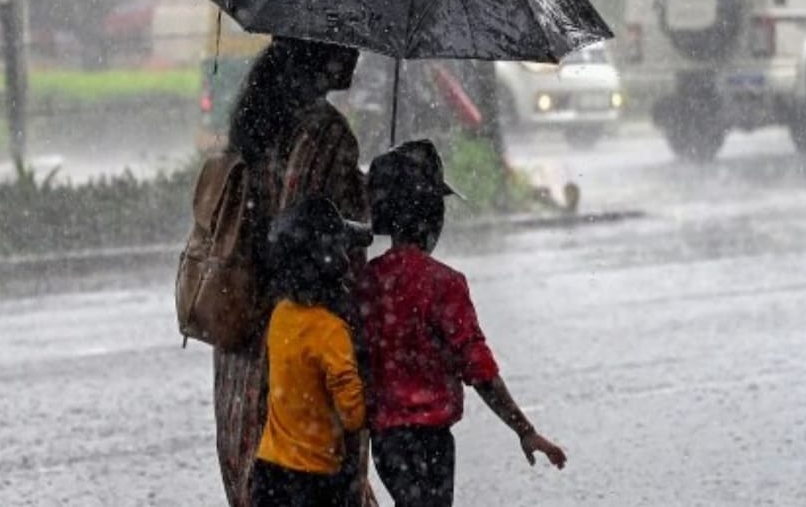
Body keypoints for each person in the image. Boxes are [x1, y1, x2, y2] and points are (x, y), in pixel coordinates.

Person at [357, 140, 567, 507]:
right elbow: (479, 369)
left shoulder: (365, 282)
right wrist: (524, 429)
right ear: (432, 216)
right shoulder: (444, 283)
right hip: (431, 441)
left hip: (383, 443)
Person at [215, 36, 370, 507]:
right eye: (347, 42)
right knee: (318, 475)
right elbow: (310, 232)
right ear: (320, 51)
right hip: (301, 336)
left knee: (255, 467)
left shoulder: (256, 123)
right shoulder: (326, 133)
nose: (356, 55)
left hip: (243, 325)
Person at [252, 197, 372, 507]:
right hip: (314, 483)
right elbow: (354, 415)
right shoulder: (331, 332)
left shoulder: (280, 316)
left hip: (268, 473)